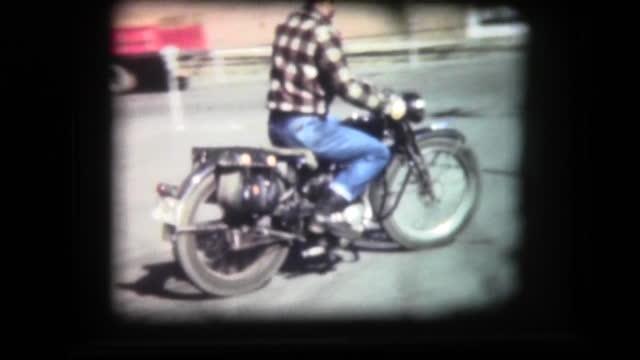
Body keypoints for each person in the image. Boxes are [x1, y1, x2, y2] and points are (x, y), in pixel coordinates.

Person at [266, 0, 407, 239]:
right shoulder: (322, 32)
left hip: (278, 124)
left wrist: (368, 89)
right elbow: (345, 86)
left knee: (343, 126)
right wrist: (382, 105)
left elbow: (313, 75)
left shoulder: (287, 24)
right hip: (304, 127)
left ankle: (318, 189)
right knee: (377, 152)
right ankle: (325, 212)